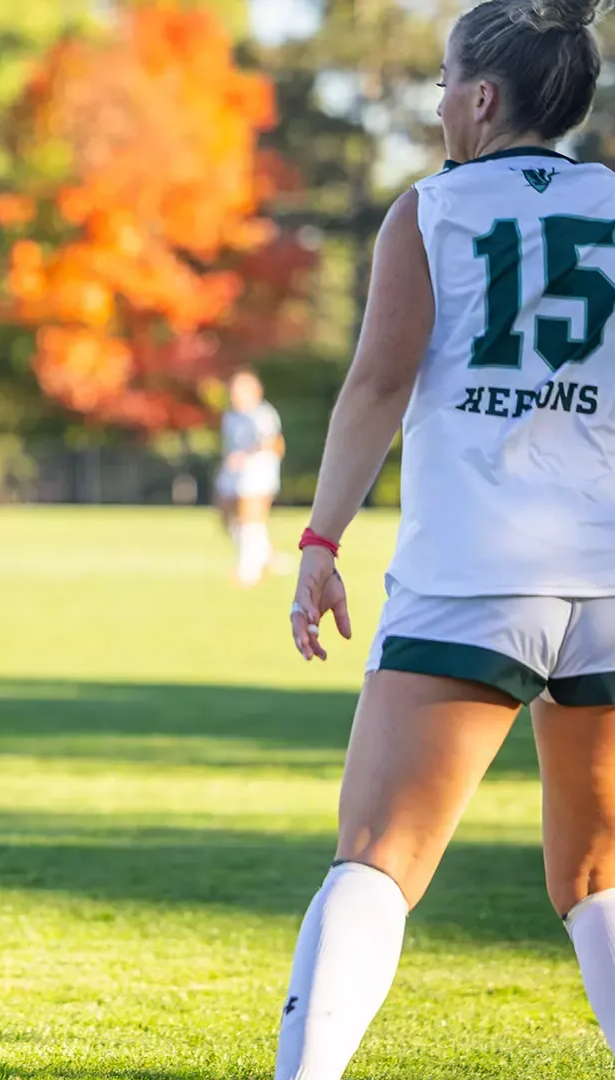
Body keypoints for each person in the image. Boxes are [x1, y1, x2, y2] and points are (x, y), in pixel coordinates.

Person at [279, 2, 615, 1076]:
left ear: (480, 98)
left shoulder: (431, 208)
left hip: (478, 568)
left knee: (378, 860)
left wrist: (322, 539)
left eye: (440, 82)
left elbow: (378, 384)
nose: (434, 103)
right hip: (611, 572)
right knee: (600, 875)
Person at [215, 369, 284, 587]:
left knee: (251, 517)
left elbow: (273, 443)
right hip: (234, 468)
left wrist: (246, 456)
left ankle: (249, 569)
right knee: (226, 514)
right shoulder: (231, 416)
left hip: (257, 467)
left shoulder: (263, 415)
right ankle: (265, 554)